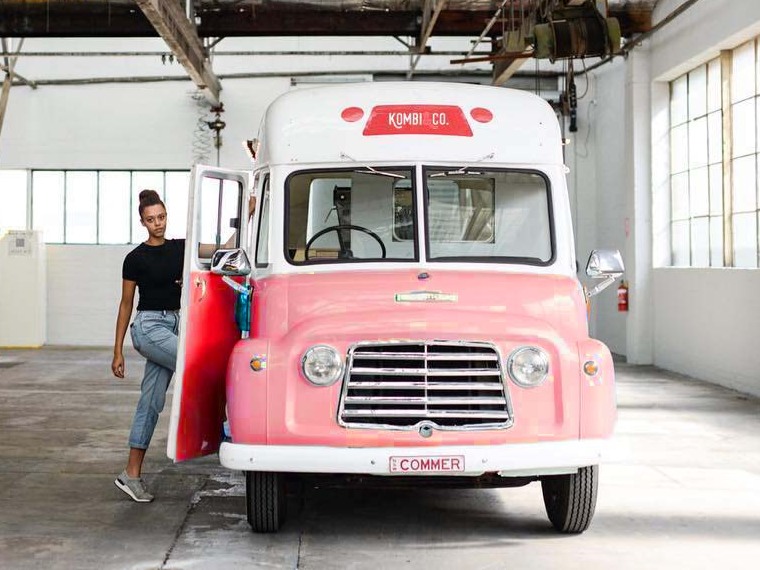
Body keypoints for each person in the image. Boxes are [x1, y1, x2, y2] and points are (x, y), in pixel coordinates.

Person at [111, 189, 256, 503]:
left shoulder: (181, 249)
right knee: (196, 365)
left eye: (161, 217)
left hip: (176, 323)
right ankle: (225, 427)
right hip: (148, 327)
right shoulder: (134, 258)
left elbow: (222, 249)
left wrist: (247, 214)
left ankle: (130, 474)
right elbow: (126, 305)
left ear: (166, 215)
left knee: (150, 402)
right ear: (142, 222)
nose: (158, 224)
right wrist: (117, 350)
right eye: (151, 220)